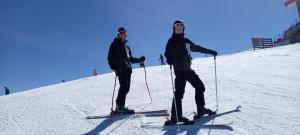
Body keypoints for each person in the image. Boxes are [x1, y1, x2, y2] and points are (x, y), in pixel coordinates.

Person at [164, 20, 218, 123]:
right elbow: (167, 53)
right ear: (174, 29)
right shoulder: (171, 41)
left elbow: (197, 48)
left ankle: (201, 110)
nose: (179, 28)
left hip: (188, 69)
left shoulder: (186, 41)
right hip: (180, 70)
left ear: (183, 28)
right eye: (177, 27)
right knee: (179, 93)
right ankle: (175, 116)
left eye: (181, 27)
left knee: (200, 87)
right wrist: (169, 59)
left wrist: (210, 51)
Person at [108, 27, 145, 114]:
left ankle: (121, 106)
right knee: (123, 87)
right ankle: (119, 107)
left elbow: (130, 59)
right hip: (121, 70)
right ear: (118, 34)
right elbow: (110, 58)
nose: (122, 34)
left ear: (126, 34)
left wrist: (140, 60)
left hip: (128, 69)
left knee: (126, 88)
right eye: (121, 33)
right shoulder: (114, 44)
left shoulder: (127, 47)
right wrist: (115, 68)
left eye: (124, 33)